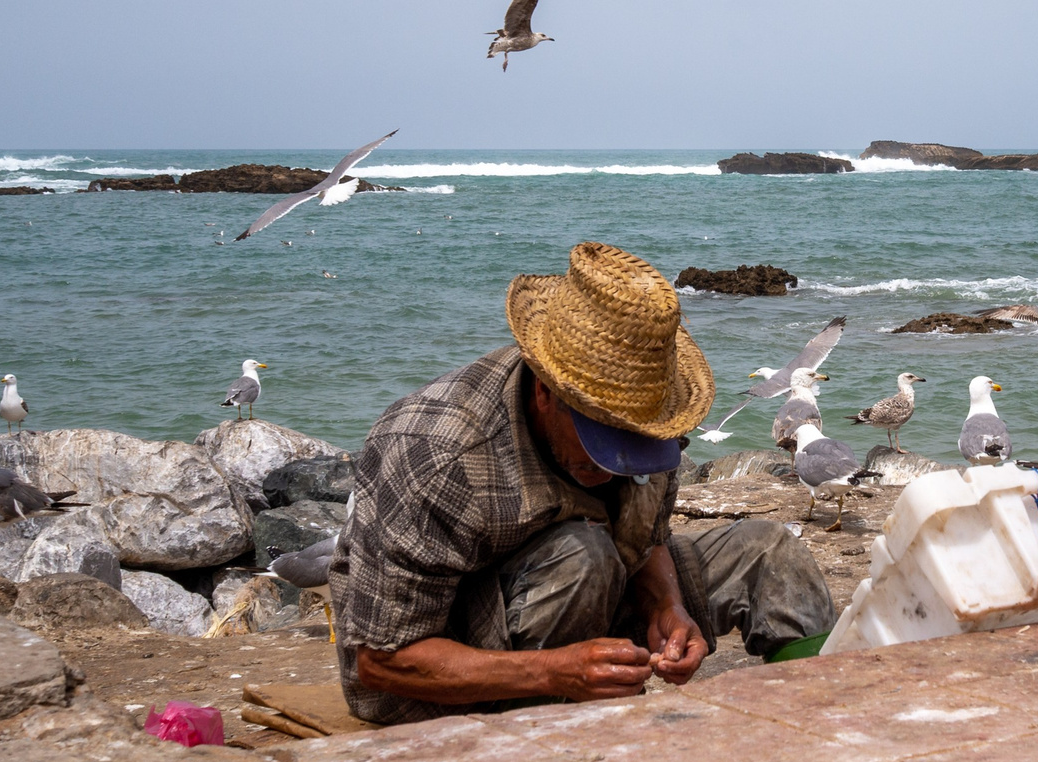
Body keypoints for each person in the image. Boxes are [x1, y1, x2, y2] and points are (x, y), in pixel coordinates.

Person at [330, 242, 838, 726]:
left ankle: (819, 724)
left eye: (634, 444)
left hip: (592, 604)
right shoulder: (436, 451)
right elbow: (380, 661)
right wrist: (554, 671)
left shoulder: (653, 417)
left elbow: (646, 540)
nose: (616, 467)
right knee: (582, 555)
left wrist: (666, 607)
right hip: (445, 666)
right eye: (602, 442)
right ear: (547, 393)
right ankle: (564, 749)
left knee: (770, 552)